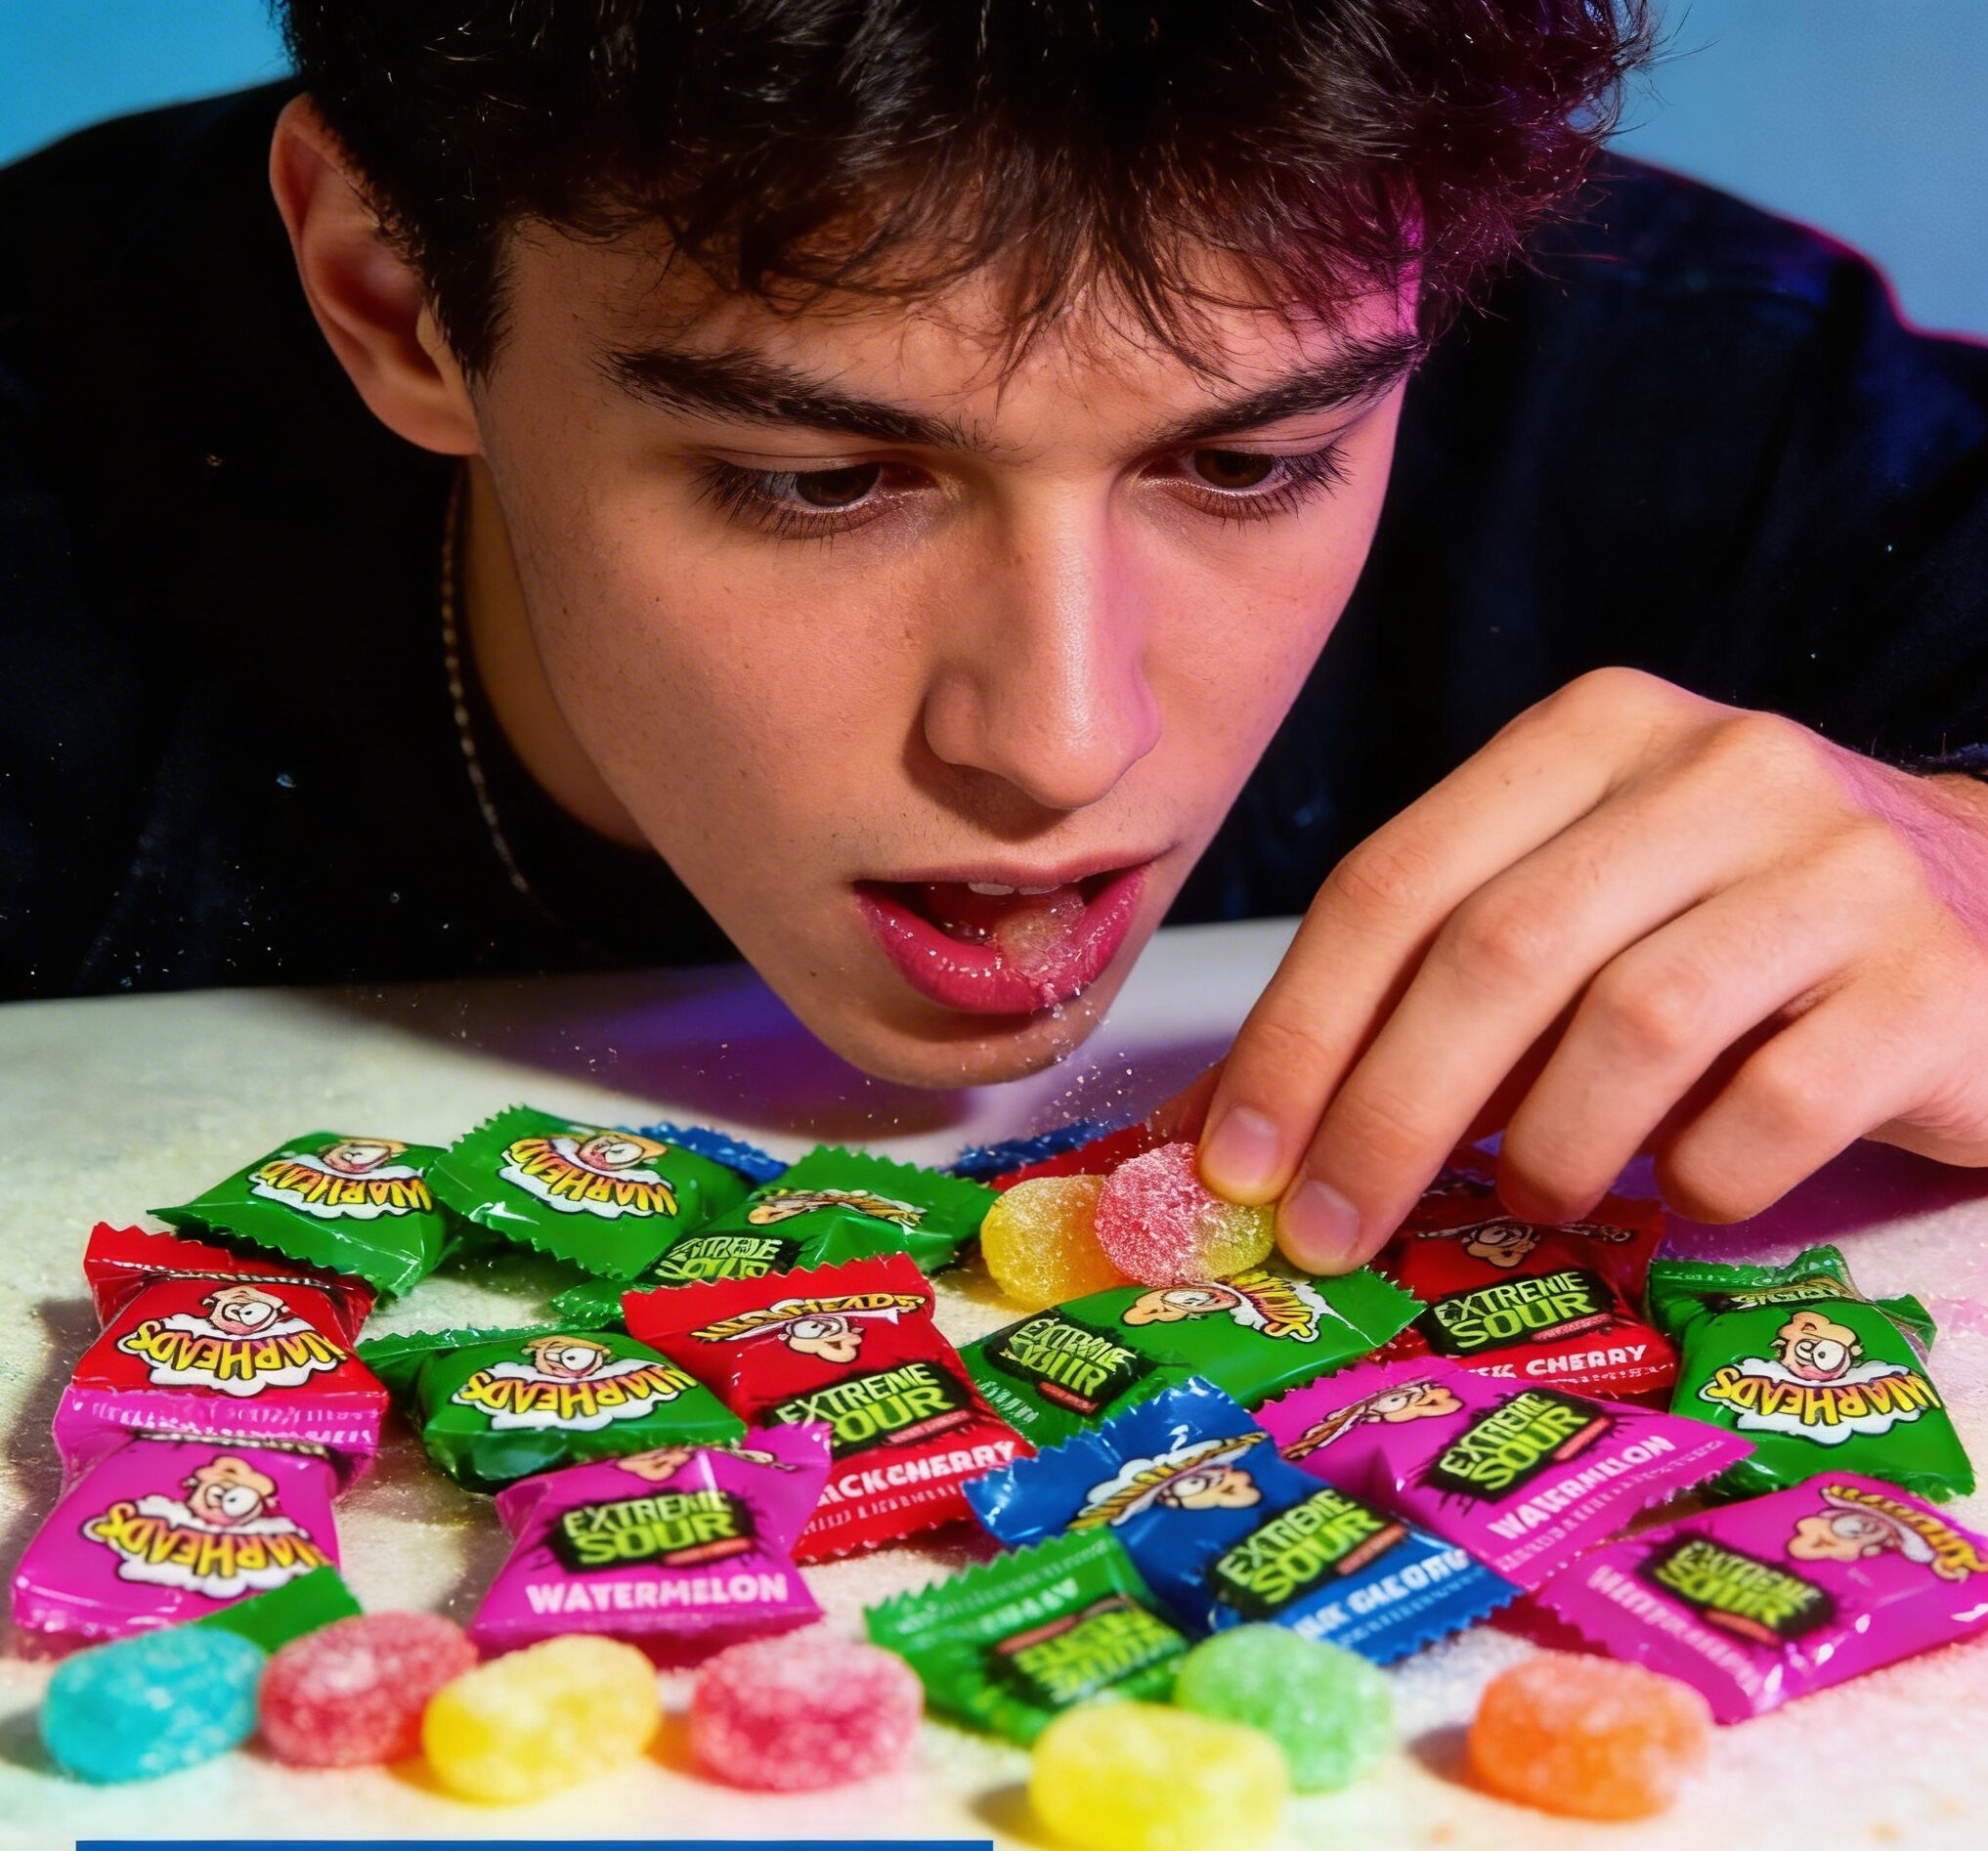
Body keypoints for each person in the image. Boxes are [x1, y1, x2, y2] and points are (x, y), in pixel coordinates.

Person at [6, 3, 1988, 1278]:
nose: (1057, 741)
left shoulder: (1664, 366)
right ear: (392, 298)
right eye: (816, 481)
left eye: (1251, 457)